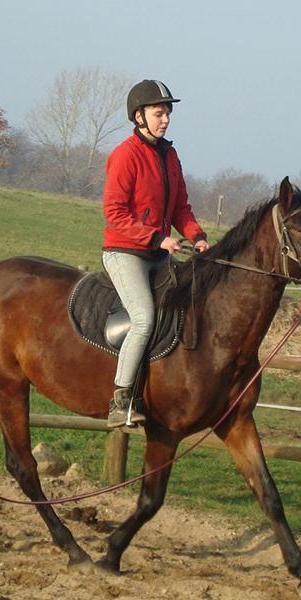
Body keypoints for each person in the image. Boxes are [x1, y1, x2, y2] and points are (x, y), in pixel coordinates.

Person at [102, 79, 209, 428]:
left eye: (167, 113)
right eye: (158, 113)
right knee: (145, 318)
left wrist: (198, 236)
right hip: (126, 253)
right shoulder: (125, 155)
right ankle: (120, 399)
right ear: (139, 116)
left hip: (158, 254)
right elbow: (114, 213)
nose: (165, 119)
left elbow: (180, 208)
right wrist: (156, 239)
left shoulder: (170, 155)